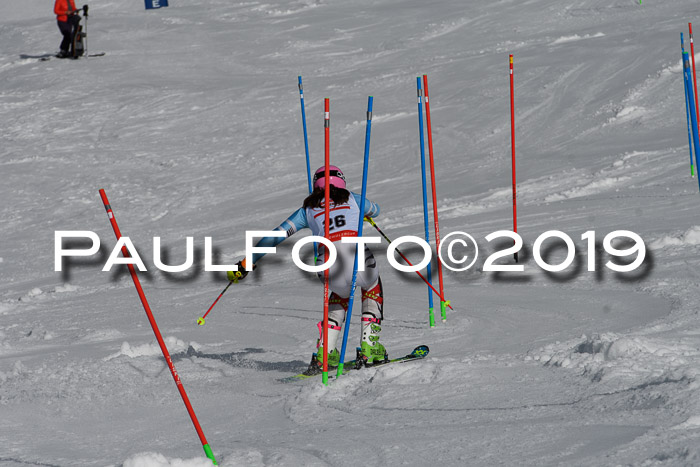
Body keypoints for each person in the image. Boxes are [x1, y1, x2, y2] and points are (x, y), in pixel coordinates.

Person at [228, 166, 388, 373]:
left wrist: (246, 263)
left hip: (327, 263)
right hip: (358, 257)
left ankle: (326, 352)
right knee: (372, 286)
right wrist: (362, 214)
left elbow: (275, 236)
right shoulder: (353, 199)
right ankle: (370, 347)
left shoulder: (306, 210)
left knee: (339, 295)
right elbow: (376, 209)